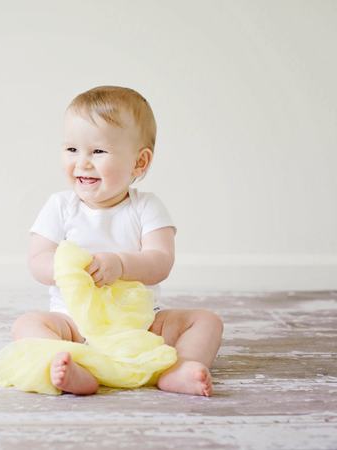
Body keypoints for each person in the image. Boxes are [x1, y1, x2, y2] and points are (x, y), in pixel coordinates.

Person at [12, 86, 223, 396]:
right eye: (72, 150)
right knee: (26, 324)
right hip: (73, 323)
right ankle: (75, 366)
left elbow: (161, 260)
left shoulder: (146, 207)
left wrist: (120, 265)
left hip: (139, 325)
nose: (82, 162)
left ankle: (180, 368)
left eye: (97, 152)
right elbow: (37, 259)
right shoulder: (60, 206)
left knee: (207, 322)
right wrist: (69, 272)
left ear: (139, 163)